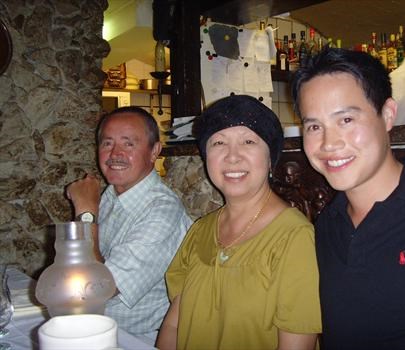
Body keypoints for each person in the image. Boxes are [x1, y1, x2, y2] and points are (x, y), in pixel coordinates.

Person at [292, 48, 405, 349]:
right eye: (314, 126)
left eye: (346, 120)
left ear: (387, 115)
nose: (328, 143)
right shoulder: (327, 226)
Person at [156, 95, 322, 350]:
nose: (232, 156)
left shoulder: (294, 237)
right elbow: (173, 326)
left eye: (248, 141)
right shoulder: (200, 230)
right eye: (219, 142)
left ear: (270, 159)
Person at [66, 106, 192, 344]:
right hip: (92, 326)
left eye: (128, 144)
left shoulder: (162, 211)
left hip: (134, 338)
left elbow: (100, 289)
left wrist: (86, 213)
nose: (115, 153)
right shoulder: (111, 195)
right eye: (107, 143)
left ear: (154, 151)